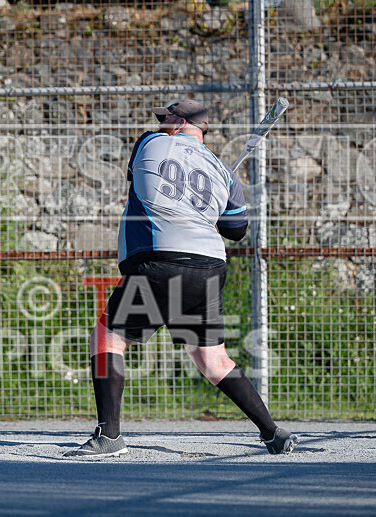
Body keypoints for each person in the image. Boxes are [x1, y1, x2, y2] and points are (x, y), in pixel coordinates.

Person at [65, 100, 298, 457]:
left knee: (108, 338)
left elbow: (146, 182)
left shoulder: (148, 142)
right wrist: (208, 207)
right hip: (207, 266)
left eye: (166, 118)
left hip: (160, 260)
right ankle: (272, 432)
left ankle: (109, 436)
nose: (161, 124)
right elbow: (236, 228)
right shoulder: (222, 170)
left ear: (178, 121)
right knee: (211, 358)